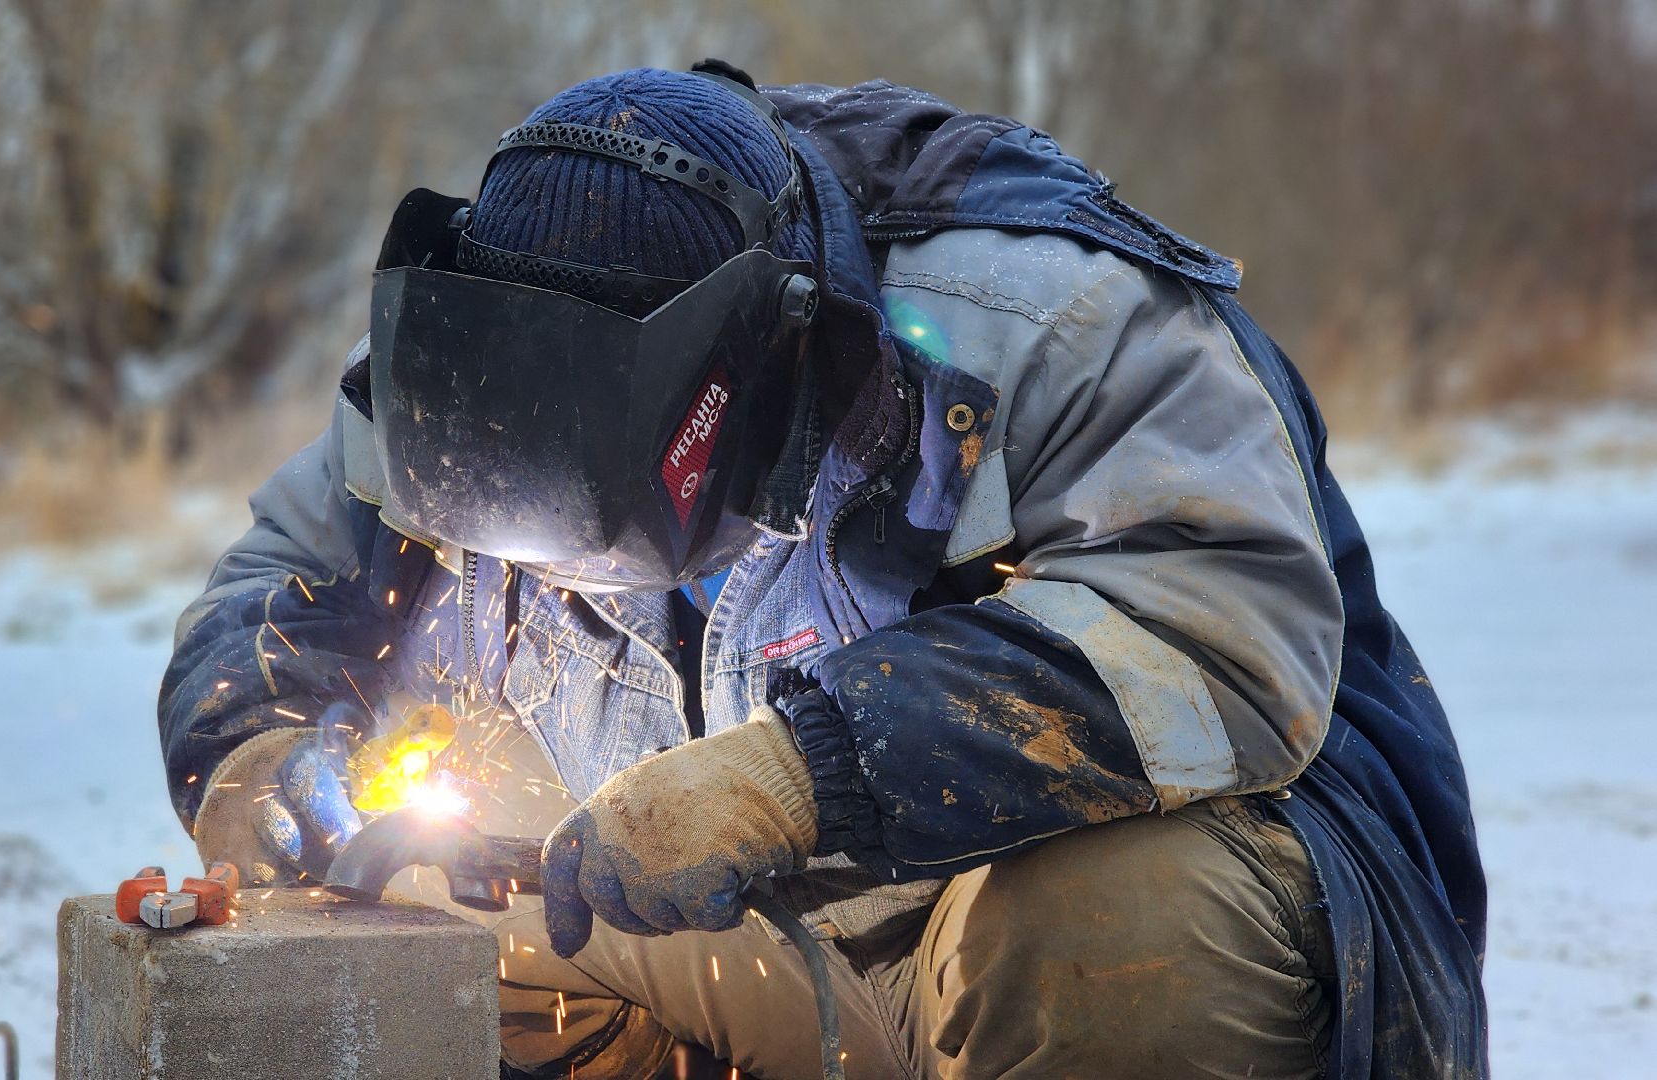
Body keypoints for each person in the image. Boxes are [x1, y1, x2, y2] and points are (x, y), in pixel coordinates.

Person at [161, 63, 1487, 1079]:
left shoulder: (1041, 325)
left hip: (1086, 947)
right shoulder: (450, 370)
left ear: (754, 363)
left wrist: (799, 775)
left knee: (1112, 919)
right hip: (778, 953)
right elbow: (282, 577)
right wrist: (249, 752)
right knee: (415, 900)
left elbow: (1219, 632)